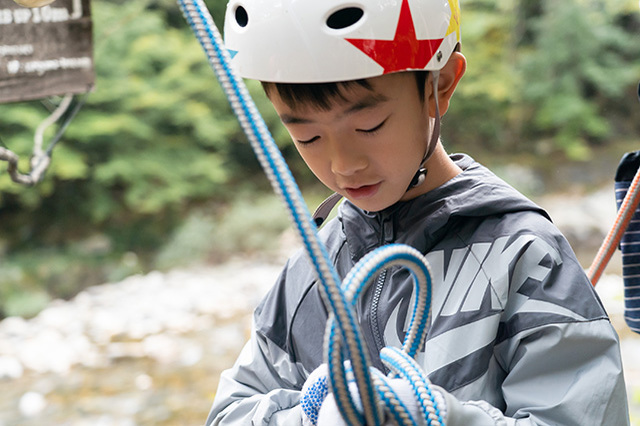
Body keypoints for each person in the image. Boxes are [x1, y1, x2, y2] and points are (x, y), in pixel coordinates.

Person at [206, 0, 629, 424]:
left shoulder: (523, 257)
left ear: (440, 85)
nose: (343, 164)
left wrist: (435, 416)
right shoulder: (309, 275)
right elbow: (230, 413)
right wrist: (312, 415)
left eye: (369, 126)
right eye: (307, 136)